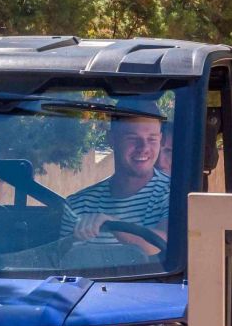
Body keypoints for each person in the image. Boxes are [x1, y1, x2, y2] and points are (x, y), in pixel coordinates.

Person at [61, 107, 170, 259]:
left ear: (161, 140)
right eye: (132, 138)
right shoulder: (78, 205)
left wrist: (113, 224)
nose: (144, 148)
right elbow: (65, 267)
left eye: (152, 139)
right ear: (111, 139)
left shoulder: (173, 194)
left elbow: (163, 242)